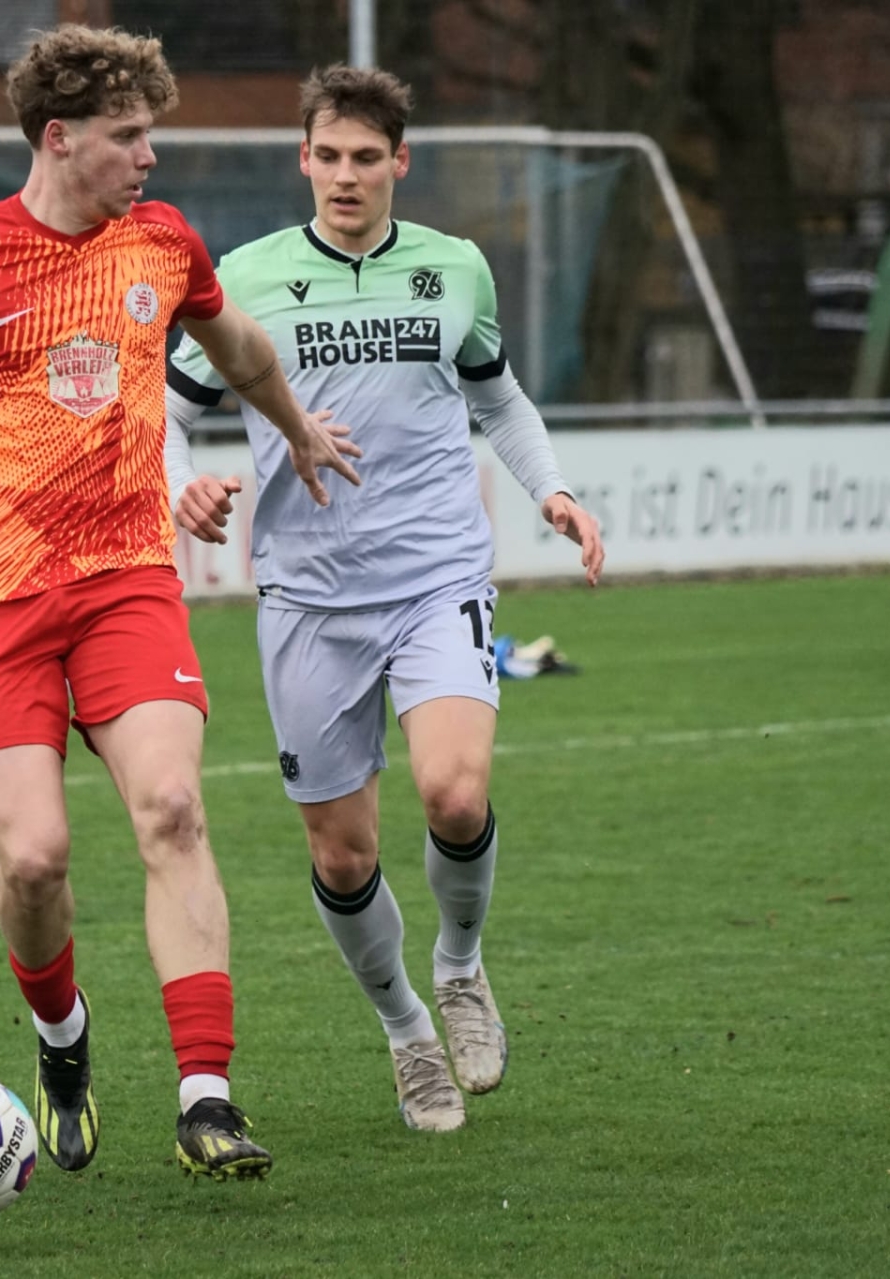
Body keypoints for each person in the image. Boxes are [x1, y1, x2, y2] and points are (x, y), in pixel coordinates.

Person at [0, 26, 362, 1181]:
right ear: (59, 139)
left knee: (172, 807)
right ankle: (62, 1038)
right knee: (34, 860)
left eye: (150, 134)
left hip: (126, 580)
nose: (149, 157)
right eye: (128, 136)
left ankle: (207, 1099)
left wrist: (296, 427)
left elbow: (240, 345)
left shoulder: (162, 241)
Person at [164, 65, 604, 1133]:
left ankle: (459, 966)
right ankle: (408, 1030)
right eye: (329, 156)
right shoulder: (245, 277)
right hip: (309, 600)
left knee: (455, 794)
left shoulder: (454, 269)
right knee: (343, 852)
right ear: (302, 160)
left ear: (401, 161)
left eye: (368, 157)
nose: (347, 176)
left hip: (436, 576)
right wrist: (183, 482)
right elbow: (164, 409)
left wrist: (550, 490)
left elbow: (499, 398)